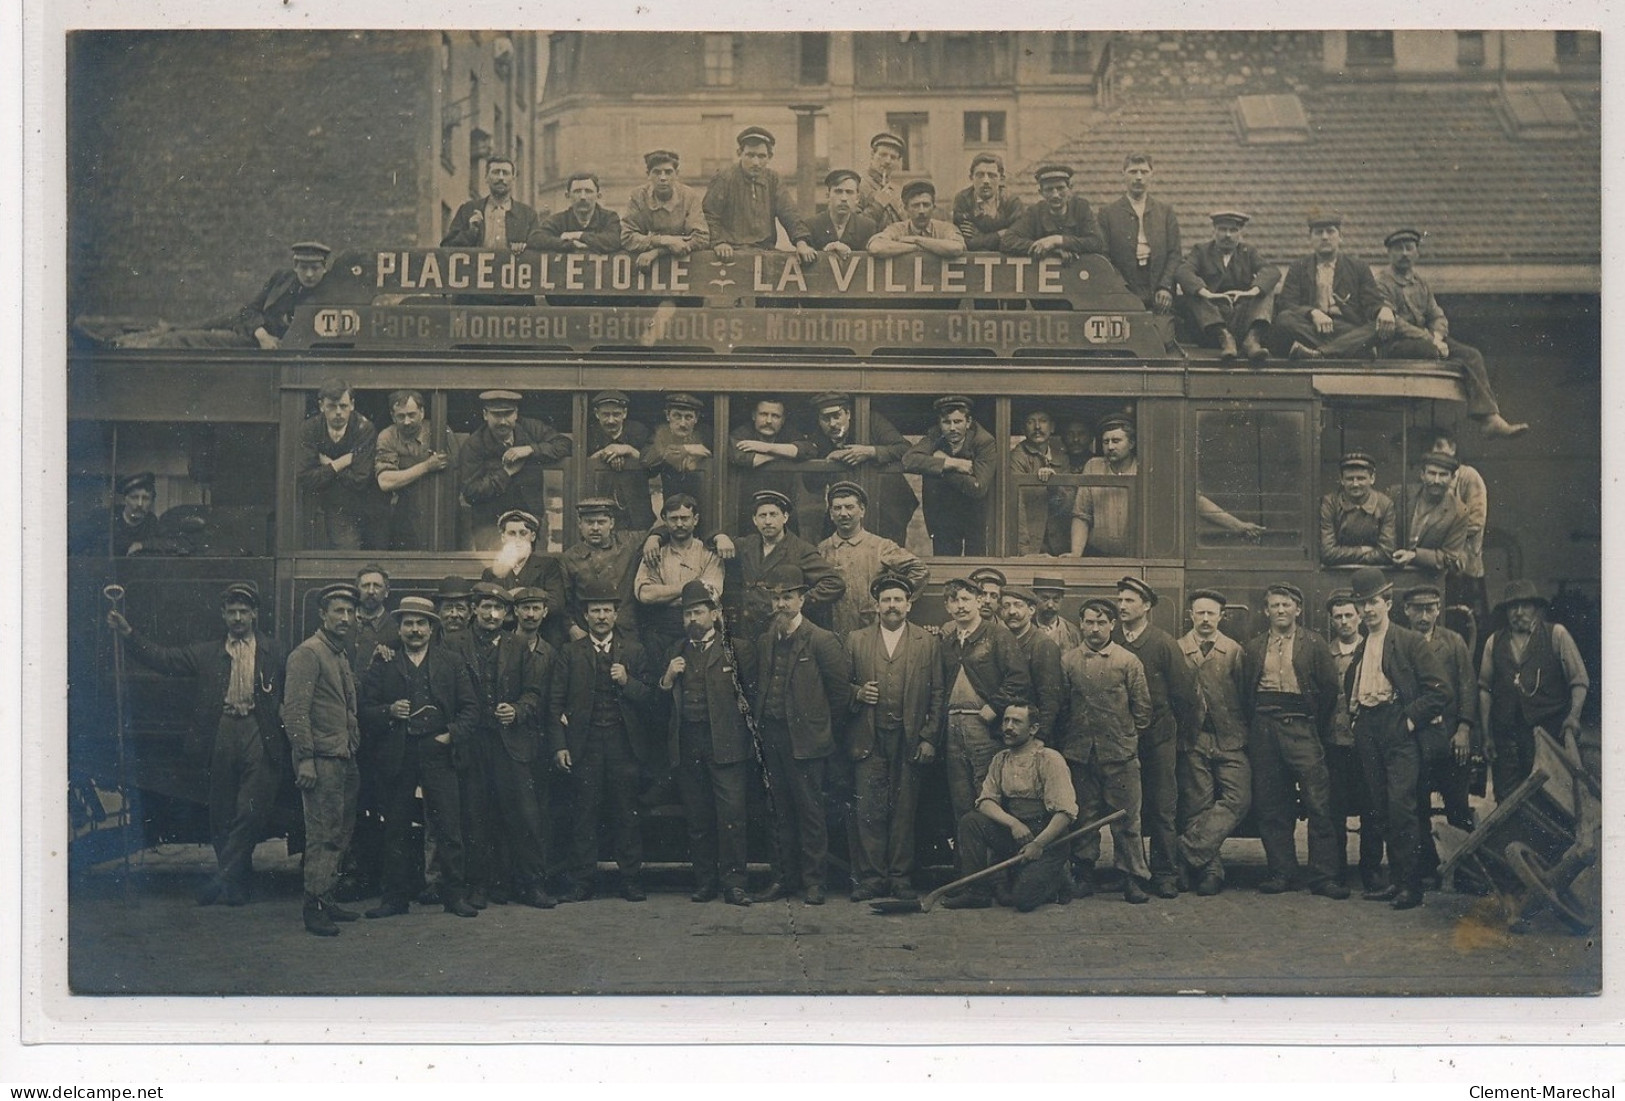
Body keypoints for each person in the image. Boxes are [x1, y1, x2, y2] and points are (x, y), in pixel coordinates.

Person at [106, 581, 285, 907]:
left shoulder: (275, 652)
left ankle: (221, 880)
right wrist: (128, 633)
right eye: (231, 612)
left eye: (244, 611)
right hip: (222, 731)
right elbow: (163, 659)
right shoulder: (207, 653)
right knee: (220, 815)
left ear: (255, 614)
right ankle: (236, 883)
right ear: (223, 615)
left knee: (250, 811)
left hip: (259, 731)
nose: (238, 618)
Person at [356, 596, 481, 920]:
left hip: (438, 752)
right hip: (400, 754)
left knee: (448, 827)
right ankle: (394, 898)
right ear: (398, 629)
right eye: (408, 623)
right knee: (395, 827)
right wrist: (389, 711)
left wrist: (450, 733)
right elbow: (364, 710)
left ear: (432, 628)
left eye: (421, 623)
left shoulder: (451, 662)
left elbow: (471, 708)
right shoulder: (384, 663)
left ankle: (454, 895)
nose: (415, 630)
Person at [1342, 567, 1450, 911]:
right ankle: (1397, 880)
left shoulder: (1409, 641)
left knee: (1402, 807)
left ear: (1387, 603)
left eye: (1373, 602)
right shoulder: (1363, 646)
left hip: (1398, 729)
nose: (1368, 610)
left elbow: (1440, 691)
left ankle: (1411, 886)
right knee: (1379, 807)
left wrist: (1407, 720)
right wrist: (1357, 714)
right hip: (1369, 728)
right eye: (1363, 605)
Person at [748, 565, 853, 907]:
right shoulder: (766, 641)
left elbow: (839, 696)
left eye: (787, 597)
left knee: (810, 812)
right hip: (772, 737)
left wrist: (818, 729)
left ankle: (814, 882)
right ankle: (782, 879)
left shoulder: (821, 639)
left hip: (807, 741)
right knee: (778, 812)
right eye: (776, 598)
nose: (780, 604)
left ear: (803, 599)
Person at [548, 586, 658, 903]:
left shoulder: (634, 651)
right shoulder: (571, 653)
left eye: (607, 610)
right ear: (586, 615)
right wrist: (560, 745)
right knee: (584, 813)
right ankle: (583, 881)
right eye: (595, 611)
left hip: (624, 744)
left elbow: (652, 699)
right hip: (585, 744)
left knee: (627, 812)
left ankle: (631, 879)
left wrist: (627, 681)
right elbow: (554, 704)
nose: (601, 616)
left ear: (616, 614)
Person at [1240, 582, 1348, 899]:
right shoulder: (1255, 647)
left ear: (1298, 610)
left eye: (1287, 605)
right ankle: (1281, 872)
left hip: (1303, 727)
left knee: (1318, 801)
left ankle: (1323, 876)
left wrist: (1313, 725)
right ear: (1266, 611)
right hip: (1264, 729)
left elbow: (1329, 690)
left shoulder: (1313, 644)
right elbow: (1245, 690)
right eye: (1275, 605)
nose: (1281, 611)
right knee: (1272, 803)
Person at [1374, 228, 1528, 439]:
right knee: (1430, 350)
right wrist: (1430, 340)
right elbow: (1394, 322)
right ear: (1389, 253)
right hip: (1396, 344)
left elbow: (1437, 315)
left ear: (1417, 253)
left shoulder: (1421, 284)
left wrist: (1437, 336)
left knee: (1470, 355)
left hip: (1428, 343)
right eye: (1398, 249)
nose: (1404, 253)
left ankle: (1489, 418)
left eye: (1409, 248)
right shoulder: (1381, 282)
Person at [843, 575, 942, 902]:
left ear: (909, 605)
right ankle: (873, 878)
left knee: (904, 810)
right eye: (886, 600)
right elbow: (838, 687)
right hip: (868, 737)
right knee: (869, 810)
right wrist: (858, 692)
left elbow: (938, 694)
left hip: (908, 738)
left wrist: (928, 737)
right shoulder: (856, 640)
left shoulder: (925, 643)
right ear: (876, 605)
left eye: (898, 600)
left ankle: (900, 878)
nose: (892, 606)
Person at [461, 582, 556, 910]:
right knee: (476, 815)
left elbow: (534, 693)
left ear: (506, 613)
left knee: (524, 816)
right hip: (472, 743)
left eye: (498, 608)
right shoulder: (455, 644)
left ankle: (532, 885)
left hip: (510, 742)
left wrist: (516, 710)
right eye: (485, 607)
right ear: (474, 609)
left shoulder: (518, 646)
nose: (491, 614)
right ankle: (478, 886)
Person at [661, 580, 756, 906]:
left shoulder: (736, 649)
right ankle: (704, 882)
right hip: (689, 744)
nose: (692, 619)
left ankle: (734, 884)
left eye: (698, 612)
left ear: (714, 614)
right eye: (687, 613)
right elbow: (660, 703)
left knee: (731, 816)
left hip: (726, 745)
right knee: (698, 818)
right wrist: (669, 677)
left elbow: (752, 697)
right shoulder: (675, 651)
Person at [1057, 597, 1153, 903]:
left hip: (1120, 755)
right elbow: (1063, 707)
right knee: (1085, 817)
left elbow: (1143, 710)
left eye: (1101, 622)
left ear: (1112, 625)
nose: (1094, 629)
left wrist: (1125, 739)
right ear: (1081, 624)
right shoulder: (1068, 661)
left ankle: (1132, 878)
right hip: (1080, 754)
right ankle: (1084, 874)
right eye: (1089, 622)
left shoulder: (1127, 661)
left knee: (1127, 820)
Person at [282, 581, 363, 936]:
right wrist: (304, 759)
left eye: (349, 612)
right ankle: (313, 906)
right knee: (322, 834)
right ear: (322, 615)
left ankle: (327, 897)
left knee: (341, 832)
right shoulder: (308, 654)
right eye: (338, 612)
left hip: (344, 756)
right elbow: (295, 712)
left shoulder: (338, 653)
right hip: (323, 759)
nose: (345, 618)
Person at [941, 703, 1078, 913]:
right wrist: (1013, 824)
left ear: (1033, 729)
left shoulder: (1049, 759)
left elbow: (1065, 814)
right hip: (1016, 834)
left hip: (1048, 839)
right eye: (1006, 720)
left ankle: (1059, 877)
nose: (1008, 727)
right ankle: (976, 892)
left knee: (1022, 901)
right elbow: (985, 802)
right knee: (971, 821)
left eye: (1016, 722)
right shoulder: (1000, 759)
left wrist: (1038, 844)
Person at [1112, 577, 1199, 898]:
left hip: (1159, 741)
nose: (1122, 606)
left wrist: (1180, 740)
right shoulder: (1111, 641)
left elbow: (1185, 695)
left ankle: (1164, 872)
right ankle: (1132, 872)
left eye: (1130, 601)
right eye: (1120, 600)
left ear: (1146, 606)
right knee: (1127, 809)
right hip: (1122, 741)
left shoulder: (1162, 643)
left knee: (1163, 808)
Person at [1478, 579, 1589, 802]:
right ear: (1506, 611)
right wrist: (1487, 735)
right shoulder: (1494, 642)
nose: (1519, 612)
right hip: (1506, 736)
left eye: (1525, 606)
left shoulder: (1557, 635)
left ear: (1536, 609)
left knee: (1550, 798)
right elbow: (1484, 689)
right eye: (1512, 607)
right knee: (1507, 801)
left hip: (1546, 735)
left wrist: (1573, 717)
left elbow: (1579, 680)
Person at [1174, 589, 1252, 896]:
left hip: (1230, 737)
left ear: (1221, 617)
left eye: (1211, 613)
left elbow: (1245, 695)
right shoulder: (1178, 649)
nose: (1205, 619)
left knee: (1239, 798)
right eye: (1200, 613)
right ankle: (1210, 870)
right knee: (1197, 804)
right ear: (1190, 616)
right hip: (1194, 737)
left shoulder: (1233, 651)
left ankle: (1183, 851)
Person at [1402, 584, 1479, 891]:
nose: (1424, 616)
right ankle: (1428, 867)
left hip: (1449, 739)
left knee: (1457, 805)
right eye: (1417, 609)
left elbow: (1467, 687)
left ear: (1438, 610)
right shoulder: (1399, 642)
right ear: (1406, 610)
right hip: (1414, 740)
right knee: (1416, 805)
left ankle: (1467, 869)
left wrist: (1463, 729)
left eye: (1430, 608)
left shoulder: (1453, 642)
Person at [938, 577, 1031, 827]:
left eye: (967, 599)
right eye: (954, 600)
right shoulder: (947, 642)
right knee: (960, 797)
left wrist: (996, 706)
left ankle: (994, 863)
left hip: (984, 726)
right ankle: (968, 863)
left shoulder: (997, 634)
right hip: (953, 727)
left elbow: (1019, 677)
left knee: (988, 794)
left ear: (979, 601)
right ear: (947, 606)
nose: (961, 606)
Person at [457, 389, 574, 551]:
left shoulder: (531, 428)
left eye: (508, 414)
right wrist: (506, 473)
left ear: (516, 413)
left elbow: (565, 444)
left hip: (531, 520)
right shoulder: (473, 445)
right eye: (497, 415)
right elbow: (471, 492)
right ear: (485, 415)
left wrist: (530, 449)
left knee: (535, 570)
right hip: (491, 526)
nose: (503, 421)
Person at [797, 391, 917, 547]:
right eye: (826, 418)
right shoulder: (819, 437)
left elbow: (906, 449)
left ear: (848, 414)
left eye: (836, 415)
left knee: (887, 552)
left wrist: (870, 452)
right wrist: (827, 462)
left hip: (888, 502)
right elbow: (811, 485)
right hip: (846, 505)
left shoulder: (871, 421)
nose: (832, 423)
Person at [725, 489, 846, 643]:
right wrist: (719, 537)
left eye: (773, 514)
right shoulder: (747, 544)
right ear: (754, 520)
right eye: (762, 516)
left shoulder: (800, 549)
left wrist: (799, 601)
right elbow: (714, 543)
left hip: (782, 632)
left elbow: (834, 583)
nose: (767, 521)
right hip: (749, 632)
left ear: (785, 517)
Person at [1324, 590, 1384, 892]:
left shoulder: (1372, 649)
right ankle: (1335, 871)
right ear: (1332, 621)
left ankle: (1370, 869)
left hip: (1368, 741)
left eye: (1349, 615)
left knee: (1372, 807)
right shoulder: (1324, 652)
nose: (1345, 621)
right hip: (1335, 742)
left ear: (1359, 617)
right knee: (1335, 808)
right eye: (1338, 616)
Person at [815, 481, 928, 636]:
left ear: (862, 511)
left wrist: (895, 597)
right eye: (837, 508)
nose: (843, 513)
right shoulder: (822, 550)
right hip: (832, 633)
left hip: (872, 632)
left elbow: (919, 570)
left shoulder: (881, 546)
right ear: (831, 514)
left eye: (849, 507)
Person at [1271, 212, 1387, 360]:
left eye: (1330, 231)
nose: (1325, 237)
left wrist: (1383, 310)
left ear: (1340, 237)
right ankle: (1349, 348)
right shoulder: (1298, 267)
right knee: (1284, 319)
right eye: (1319, 233)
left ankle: (1320, 353)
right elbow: (1287, 304)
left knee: (1378, 327)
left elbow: (1372, 302)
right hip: (1311, 327)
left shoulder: (1358, 267)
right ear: (1310, 239)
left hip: (1346, 328)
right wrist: (1313, 313)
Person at [701, 126, 818, 264]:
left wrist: (801, 242)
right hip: (731, 253)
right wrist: (718, 242)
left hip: (764, 251)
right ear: (740, 153)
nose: (756, 162)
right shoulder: (724, 178)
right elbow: (709, 215)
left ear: (770, 157)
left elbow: (789, 214)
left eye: (761, 156)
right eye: (750, 155)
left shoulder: (773, 180)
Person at [1175, 210, 1278, 363]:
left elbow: (1271, 271)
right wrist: (1208, 294)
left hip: (1240, 319)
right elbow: (1183, 271)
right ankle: (1224, 337)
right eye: (1223, 229)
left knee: (1266, 288)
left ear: (1240, 234)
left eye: (1233, 230)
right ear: (1214, 232)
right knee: (1192, 293)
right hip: (1209, 327)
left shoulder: (1248, 252)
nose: (1227, 235)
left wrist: (1250, 292)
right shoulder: (1201, 251)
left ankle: (1252, 339)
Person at [903, 394, 998, 557]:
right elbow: (908, 460)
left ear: (968, 422)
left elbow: (978, 487)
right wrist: (952, 464)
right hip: (943, 516)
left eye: (958, 421)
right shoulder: (935, 436)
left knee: (976, 566)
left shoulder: (984, 441)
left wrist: (940, 466)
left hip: (975, 517)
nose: (952, 428)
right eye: (946, 422)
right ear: (940, 424)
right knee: (945, 566)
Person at [635, 493, 725, 660]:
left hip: (698, 628)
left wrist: (664, 593)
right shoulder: (654, 553)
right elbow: (645, 594)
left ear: (695, 519)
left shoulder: (708, 553)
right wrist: (692, 586)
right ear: (664, 519)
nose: (679, 524)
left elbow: (712, 592)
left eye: (685, 518)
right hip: (661, 631)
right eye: (673, 518)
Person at [296, 378, 378, 551]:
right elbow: (306, 478)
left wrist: (326, 466)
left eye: (343, 406)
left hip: (364, 506)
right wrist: (341, 463)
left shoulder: (364, 428)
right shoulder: (309, 429)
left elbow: (360, 479)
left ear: (352, 404)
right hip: (328, 506)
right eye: (332, 406)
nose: (338, 412)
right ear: (321, 406)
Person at [559, 496, 655, 641]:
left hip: (626, 632)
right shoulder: (569, 558)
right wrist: (572, 628)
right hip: (588, 633)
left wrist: (655, 537)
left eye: (601, 522)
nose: (595, 528)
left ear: (612, 523)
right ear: (580, 524)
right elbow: (565, 602)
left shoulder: (628, 543)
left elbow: (662, 524)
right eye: (589, 522)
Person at [1096, 153, 1181, 315]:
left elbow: (1175, 254)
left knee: (1163, 336)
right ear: (1123, 174)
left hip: (1157, 289)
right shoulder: (1107, 213)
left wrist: (1165, 287)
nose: (1139, 178)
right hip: (1123, 290)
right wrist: (1121, 288)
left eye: (1144, 172)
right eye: (1133, 172)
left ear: (1152, 174)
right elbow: (1103, 256)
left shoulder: (1165, 212)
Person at [1423, 427, 1490, 623]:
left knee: (1466, 622)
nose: (1436, 451)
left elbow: (1476, 521)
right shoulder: (1433, 480)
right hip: (1440, 566)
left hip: (1465, 566)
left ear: (1452, 448)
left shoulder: (1469, 477)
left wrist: (1441, 537)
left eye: (1439, 446)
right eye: (1432, 448)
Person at [481, 508, 568, 651]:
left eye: (523, 533)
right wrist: (518, 594)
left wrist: (509, 599)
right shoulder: (491, 573)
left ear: (532, 536)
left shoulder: (548, 566)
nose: (517, 539)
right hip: (503, 643)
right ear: (503, 537)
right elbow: (489, 611)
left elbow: (555, 604)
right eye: (511, 533)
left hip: (543, 641)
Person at [373, 389, 449, 551]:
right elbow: (385, 481)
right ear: (393, 416)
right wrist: (427, 466)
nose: (406, 421)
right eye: (400, 416)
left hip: (438, 509)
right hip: (404, 511)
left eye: (411, 415)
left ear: (422, 412)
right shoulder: (387, 437)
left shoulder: (440, 431)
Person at [728, 397, 813, 535]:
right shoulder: (741, 433)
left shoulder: (789, 433)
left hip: (784, 508)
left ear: (783, 420)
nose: (769, 421)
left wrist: (766, 447)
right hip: (750, 509)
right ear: (753, 416)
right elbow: (746, 459)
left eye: (775, 416)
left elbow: (808, 449)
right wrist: (784, 453)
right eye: (763, 414)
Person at [1386, 450, 1470, 583]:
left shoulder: (1459, 511)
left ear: (1453, 478)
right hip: (1390, 572)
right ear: (1422, 475)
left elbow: (1449, 556)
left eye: (1443, 475)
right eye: (1432, 473)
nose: (1436, 480)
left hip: (1427, 579)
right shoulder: (1398, 494)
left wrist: (1414, 556)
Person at [620, 149, 709, 269]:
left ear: (676, 174)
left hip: (682, 267)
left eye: (668, 172)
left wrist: (657, 252)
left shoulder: (689, 196)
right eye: (657, 172)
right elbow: (627, 237)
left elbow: (701, 238)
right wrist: (664, 240)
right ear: (648, 174)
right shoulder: (638, 196)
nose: (663, 178)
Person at [642, 392, 715, 531]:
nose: (682, 423)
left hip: (706, 507)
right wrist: (685, 449)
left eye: (688, 417)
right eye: (677, 416)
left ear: (696, 418)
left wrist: (705, 451)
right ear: (667, 416)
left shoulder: (706, 434)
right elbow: (647, 460)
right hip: (673, 509)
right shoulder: (661, 434)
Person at [998, 164, 1104, 260]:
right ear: (1041, 192)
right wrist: (1047, 248)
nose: (1055, 195)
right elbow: (1007, 241)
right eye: (1049, 190)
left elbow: (1097, 242)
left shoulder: (1081, 208)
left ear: (1070, 189)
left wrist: (1057, 240)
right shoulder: (1034, 213)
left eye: (1060, 188)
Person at [585, 390, 656, 531]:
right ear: (596, 413)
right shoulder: (588, 433)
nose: (611, 420)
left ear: (624, 413)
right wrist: (604, 454)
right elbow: (580, 465)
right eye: (605, 415)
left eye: (616, 414)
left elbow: (654, 464)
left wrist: (629, 450)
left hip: (635, 512)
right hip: (600, 510)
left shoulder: (639, 431)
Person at [1001, 586, 1065, 743]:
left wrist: (1040, 736)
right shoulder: (1000, 641)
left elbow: (1050, 698)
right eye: (1006, 606)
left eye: (1018, 605)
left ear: (1031, 610)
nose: (1011, 611)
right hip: (1006, 731)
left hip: (1031, 735)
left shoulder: (1043, 645)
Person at [1069, 414, 1138, 558]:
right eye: (1106, 442)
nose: (1110, 447)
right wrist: (1075, 554)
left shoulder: (1142, 469)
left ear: (1131, 443)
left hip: (1135, 557)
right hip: (1097, 555)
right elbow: (1081, 514)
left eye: (1116, 441)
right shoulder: (1093, 466)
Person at [441, 155, 539, 252]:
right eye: (496, 172)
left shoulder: (528, 215)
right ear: (486, 178)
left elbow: (539, 251)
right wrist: (471, 232)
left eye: (505, 173)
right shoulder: (468, 210)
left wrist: (524, 248)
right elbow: (446, 249)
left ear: (513, 179)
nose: (501, 178)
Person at [1009, 408, 1071, 556]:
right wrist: (1024, 550)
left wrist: (1054, 485)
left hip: (1058, 544)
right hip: (1031, 543)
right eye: (1031, 422)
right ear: (1023, 428)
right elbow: (1017, 506)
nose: (1037, 427)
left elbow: (1068, 504)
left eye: (1043, 421)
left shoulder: (1061, 458)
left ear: (1052, 427)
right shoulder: (1017, 457)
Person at [1318, 451, 1397, 567]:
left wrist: (1345, 554)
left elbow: (1387, 553)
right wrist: (1362, 550)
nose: (1355, 484)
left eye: (1361, 478)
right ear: (1341, 480)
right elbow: (1327, 553)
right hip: (1337, 574)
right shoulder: (1330, 503)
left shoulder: (1385, 504)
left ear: (1372, 478)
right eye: (1350, 479)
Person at [866, 181, 967, 259]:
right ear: (906, 208)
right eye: (915, 205)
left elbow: (956, 248)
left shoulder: (945, 228)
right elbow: (876, 247)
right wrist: (915, 247)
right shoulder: (897, 228)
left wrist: (916, 240)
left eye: (926, 205)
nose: (922, 211)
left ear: (934, 207)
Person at [530, 172, 624, 254]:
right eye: (577, 191)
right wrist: (570, 244)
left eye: (588, 191)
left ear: (598, 195)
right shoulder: (558, 220)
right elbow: (536, 238)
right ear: (567, 195)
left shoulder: (609, 217)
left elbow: (614, 240)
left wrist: (578, 235)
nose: (583, 197)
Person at [951, 153, 1024, 252]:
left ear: (1001, 179)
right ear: (971, 177)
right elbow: (968, 242)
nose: (986, 181)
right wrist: (1000, 234)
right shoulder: (963, 199)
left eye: (992, 175)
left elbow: (1015, 238)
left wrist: (981, 237)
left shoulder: (1011, 201)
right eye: (980, 175)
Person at [806, 170, 878, 255]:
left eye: (849, 192)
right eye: (838, 191)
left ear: (857, 198)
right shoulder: (811, 226)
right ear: (828, 196)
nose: (844, 198)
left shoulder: (867, 227)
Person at [856, 131, 907, 230]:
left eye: (893, 157)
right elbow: (853, 227)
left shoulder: (898, 191)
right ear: (872, 155)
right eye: (883, 155)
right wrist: (878, 205)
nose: (888, 161)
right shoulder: (858, 185)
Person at [102, 472, 160, 556]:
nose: (140, 504)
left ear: (151, 502)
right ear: (124, 499)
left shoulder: (153, 525)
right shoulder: (108, 520)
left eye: (146, 498)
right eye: (134, 497)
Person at [1030, 575, 1082, 654]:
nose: (1050, 605)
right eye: (1045, 599)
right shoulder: (1025, 629)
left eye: (1056, 599)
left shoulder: (1072, 632)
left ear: (1062, 599)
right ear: (1034, 597)